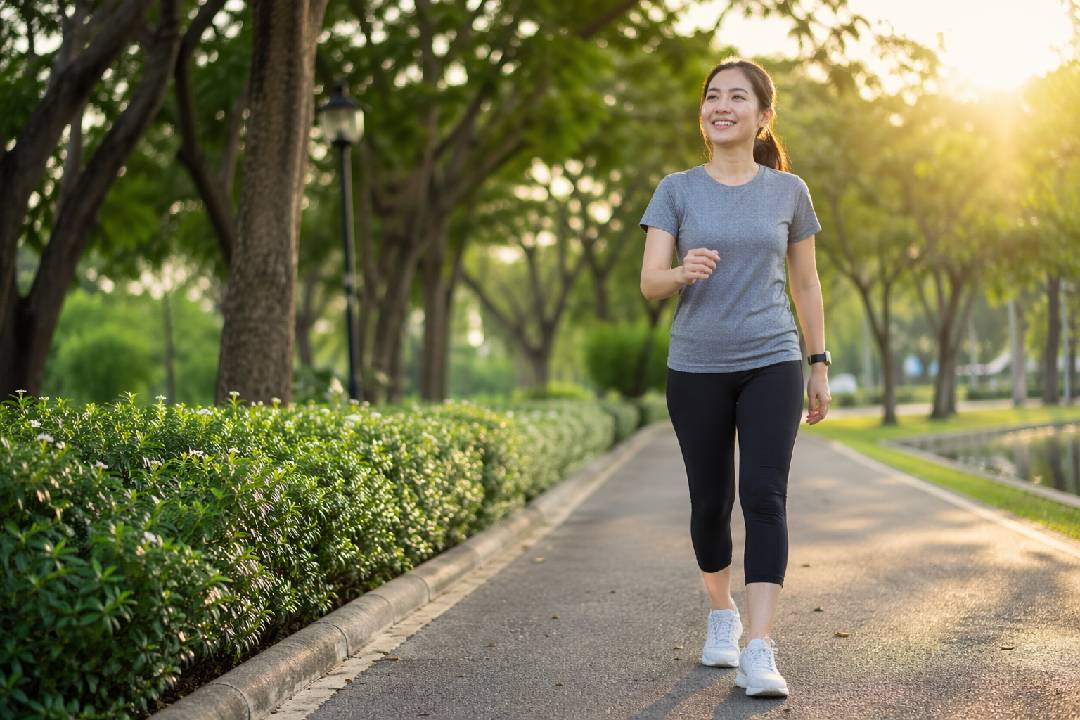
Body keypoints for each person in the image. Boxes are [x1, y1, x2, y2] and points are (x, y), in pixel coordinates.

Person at [638, 58, 831, 698]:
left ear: (762, 116)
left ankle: (759, 646)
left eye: (737, 97)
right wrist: (681, 270)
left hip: (773, 357)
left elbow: (805, 282)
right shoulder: (676, 189)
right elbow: (649, 282)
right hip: (695, 366)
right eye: (713, 96)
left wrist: (818, 362)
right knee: (709, 502)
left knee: (765, 495)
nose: (722, 106)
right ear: (703, 114)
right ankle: (721, 612)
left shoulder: (788, 192)